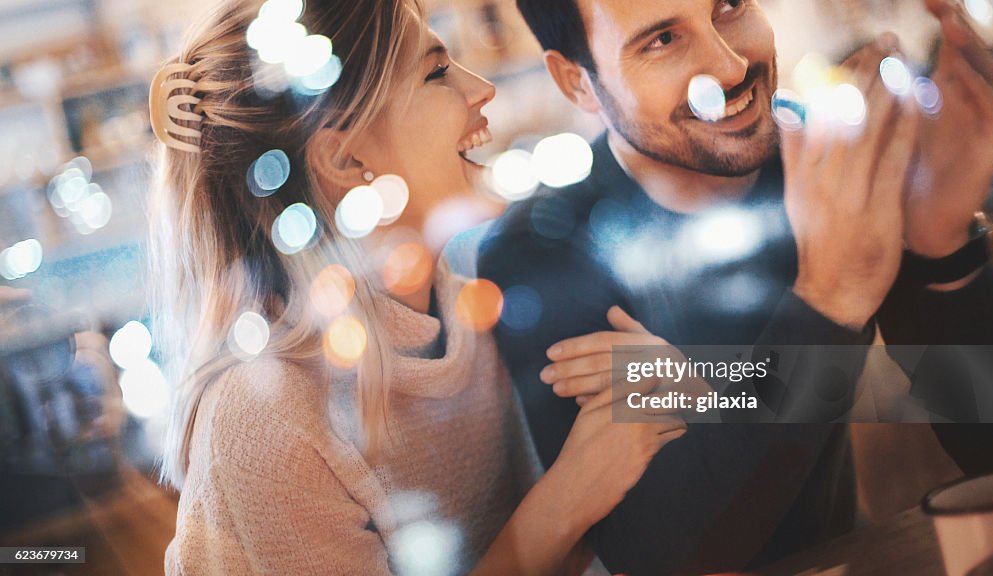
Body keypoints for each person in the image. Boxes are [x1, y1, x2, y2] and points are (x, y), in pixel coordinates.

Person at [478, 0, 993, 573]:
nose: (731, 65)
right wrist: (828, 300)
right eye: (662, 39)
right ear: (578, 81)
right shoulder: (542, 255)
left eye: (730, 6)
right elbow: (662, 556)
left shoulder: (821, 164)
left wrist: (942, 249)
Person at [150, 0, 687, 573]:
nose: (482, 90)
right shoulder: (263, 419)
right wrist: (566, 501)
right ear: (345, 155)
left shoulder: (477, 304)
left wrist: (685, 385)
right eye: (436, 72)